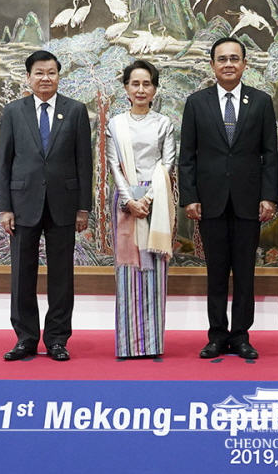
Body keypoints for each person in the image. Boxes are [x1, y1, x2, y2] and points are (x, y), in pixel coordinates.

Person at [179, 37, 278, 360]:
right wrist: (190, 197)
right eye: (222, 59)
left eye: (235, 58)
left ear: (245, 64)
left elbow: (269, 155)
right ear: (212, 65)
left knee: (245, 273)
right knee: (217, 271)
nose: (229, 64)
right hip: (211, 201)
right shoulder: (197, 102)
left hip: (249, 201)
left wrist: (269, 197)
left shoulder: (261, 102)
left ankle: (241, 336)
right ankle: (217, 336)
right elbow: (187, 156)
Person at [0, 50, 92, 361]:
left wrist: (83, 208)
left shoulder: (75, 110)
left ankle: (56, 339)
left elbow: (84, 163)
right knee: (22, 274)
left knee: (62, 275)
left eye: (51, 72)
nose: (45, 78)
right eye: (39, 73)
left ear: (58, 76)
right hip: (23, 202)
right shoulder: (14, 111)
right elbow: (4, 162)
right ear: (28, 77)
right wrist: (5, 208)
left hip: (63, 204)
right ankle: (25, 338)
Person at [105, 60, 176, 358]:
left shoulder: (163, 123)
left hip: (156, 202)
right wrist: (129, 199)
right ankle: (129, 344)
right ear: (126, 88)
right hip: (124, 203)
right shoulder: (115, 123)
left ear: (155, 89)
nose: (141, 89)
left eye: (147, 84)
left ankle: (152, 344)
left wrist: (146, 199)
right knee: (128, 272)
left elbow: (168, 162)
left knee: (154, 271)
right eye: (135, 84)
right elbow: (113, 164)